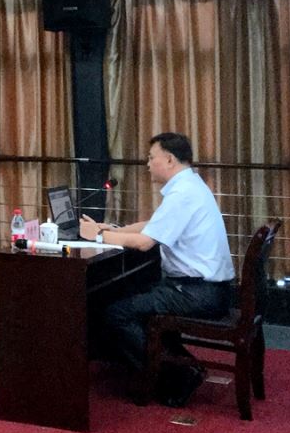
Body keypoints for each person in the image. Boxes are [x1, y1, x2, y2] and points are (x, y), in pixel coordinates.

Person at [83, 132, 236, 407]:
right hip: (202, 288)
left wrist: (98, 236)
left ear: (169, 159)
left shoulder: (183, 193)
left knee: (118, 313)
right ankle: (177, 365)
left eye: (151, 157)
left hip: (198, 293)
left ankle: (175, 376)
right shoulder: (190, 185)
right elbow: (153, 225)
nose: (147, 164)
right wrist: (112, 229)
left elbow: (145, 242)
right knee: (129, 295)